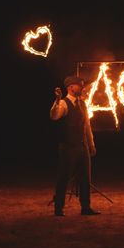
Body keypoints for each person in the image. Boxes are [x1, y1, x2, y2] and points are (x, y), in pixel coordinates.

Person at [50, 75, 100, 216]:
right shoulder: (64, 103)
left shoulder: (82, 104)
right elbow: (54, 116)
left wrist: (91, 144)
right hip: (68, 147)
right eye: (80, 85)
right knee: (64, 178)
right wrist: (57, 100)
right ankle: (58, 208)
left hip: (82, 146)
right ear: (71, 87)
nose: (82, 87)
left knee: (85, 178)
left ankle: (86, 207)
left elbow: (87, 126)